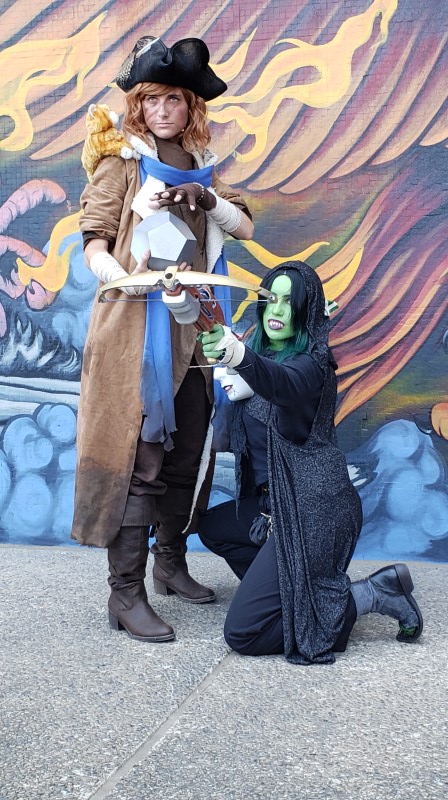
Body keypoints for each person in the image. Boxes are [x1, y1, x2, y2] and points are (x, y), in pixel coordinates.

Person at [71, 35, 254, 643]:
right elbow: (94, 240)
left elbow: (243, 226)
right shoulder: (121, 163)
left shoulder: (201, 164)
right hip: (136, 335)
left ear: (190, 105)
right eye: (152, 100)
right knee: (141, 459)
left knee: (188, 454)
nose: (163, 110)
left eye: (174, 99)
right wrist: (124, 273)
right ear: (139, 106)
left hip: (195, 330)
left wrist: (207, 198)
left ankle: (169, 563)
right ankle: (125, 594)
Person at [198, 262, 423, 665]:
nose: (277, 310)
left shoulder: (312, 365)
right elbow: (248, 394)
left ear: (305, 312)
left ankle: (368, 595)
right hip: (273, 507)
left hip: (313, 511)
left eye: (290, 302)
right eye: (271, 299)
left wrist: (236, 354)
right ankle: (296, 595)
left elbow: (282, 383)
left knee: (243, 633)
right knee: (214, 528)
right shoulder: (262, 355)